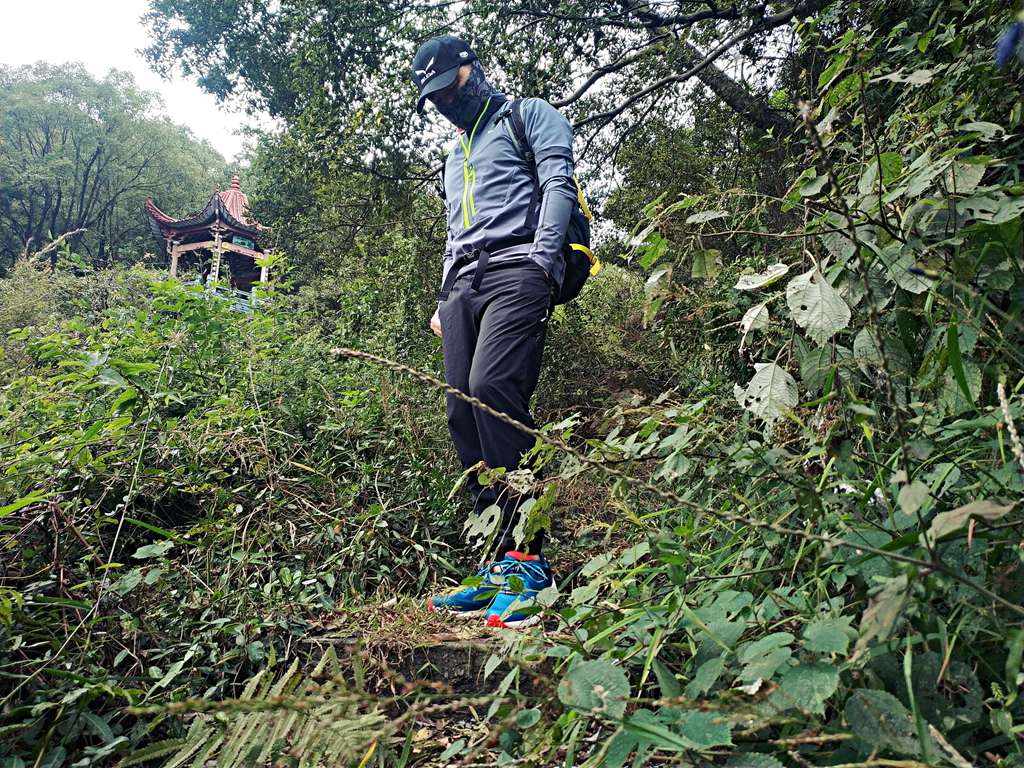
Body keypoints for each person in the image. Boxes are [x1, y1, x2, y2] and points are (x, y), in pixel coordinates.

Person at [411, 35, 578, 628]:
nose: (442, 103)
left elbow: (559, 183)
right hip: (463, 285)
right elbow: (455, 230)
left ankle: (532, 563)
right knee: (461, 409)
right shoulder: (454, 157)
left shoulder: (528, 114)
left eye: (447, 88)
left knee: (493, 392)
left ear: (470, 70)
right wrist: (442, 296)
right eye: (430, 97)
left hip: (519, 269)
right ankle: (499, 562)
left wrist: (542, 260)